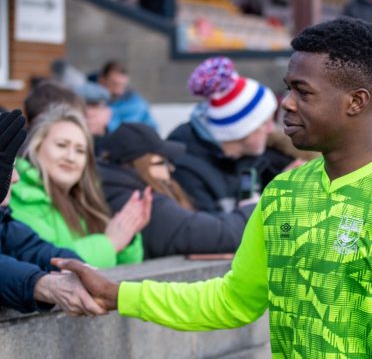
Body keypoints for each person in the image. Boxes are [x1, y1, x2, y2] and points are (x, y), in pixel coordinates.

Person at [52, 17, 372, 358]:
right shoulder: (283, 193)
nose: (286, 102)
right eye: (287, 88)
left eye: (303, 91)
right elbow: (231, 300)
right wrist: (120, 294)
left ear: (356, 101)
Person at [9, 105, 152, 268]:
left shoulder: (87, 202)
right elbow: (47, 264)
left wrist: (128, 235)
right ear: (37, 147)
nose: (71, 157)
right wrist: (110, 243)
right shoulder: (18, 197)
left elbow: (124, 274)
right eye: (61, 145)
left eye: (80, 150)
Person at [0, 110, 105, 315]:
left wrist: (75, 266)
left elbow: (30, 247)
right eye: (61, 145)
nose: (15, 178)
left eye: (80, 150)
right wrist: (40, 283)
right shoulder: (23, 199)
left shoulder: (4, 218)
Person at [98, 123, 254, 259]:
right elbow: (221, 235)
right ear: (137, 165)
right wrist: (257, 210)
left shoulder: (114, 191)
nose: (171, 168)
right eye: (162, 162)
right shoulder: (141, 203)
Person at [168, 57, 291, 214]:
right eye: (265, 123)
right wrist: (251, 211)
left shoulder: (252, 153)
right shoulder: (187, 171)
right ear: (242, 131)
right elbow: (209, 235)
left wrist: (285, 182)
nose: (271, 129)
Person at [98, 61, 158, 133]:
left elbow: (152, 128)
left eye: (122, 85)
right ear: (102, 80)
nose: (118, 91)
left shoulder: (136, 104)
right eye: (114, 84)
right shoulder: (93, 102)